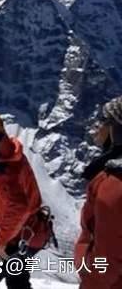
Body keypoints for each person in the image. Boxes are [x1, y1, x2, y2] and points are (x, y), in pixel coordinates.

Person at [0, 111, 51, 289]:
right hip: (29, 233)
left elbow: (19, 207)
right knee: (16, 281)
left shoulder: (4, 168)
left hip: (17, 237)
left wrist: (2, 241)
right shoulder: (2, 158)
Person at [75, 96, 122, 289]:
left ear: (116, 130)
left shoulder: (114, 184)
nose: (97, 126)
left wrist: (90, 282)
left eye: (104, 120)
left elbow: (107, 256)